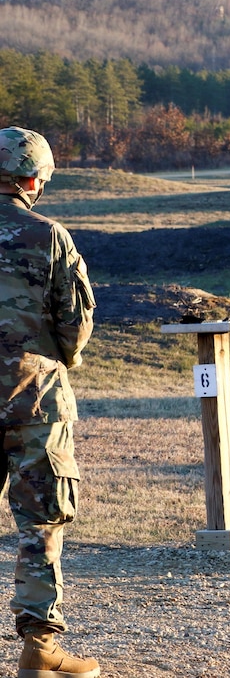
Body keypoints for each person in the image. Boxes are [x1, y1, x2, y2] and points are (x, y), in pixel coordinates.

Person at [0, 127, 100, 677]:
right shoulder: (49, 236)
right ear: (33, 179)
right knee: (41, 521)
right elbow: (75, 322)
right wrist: (59, 360)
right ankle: (39, 649)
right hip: (32, 398)